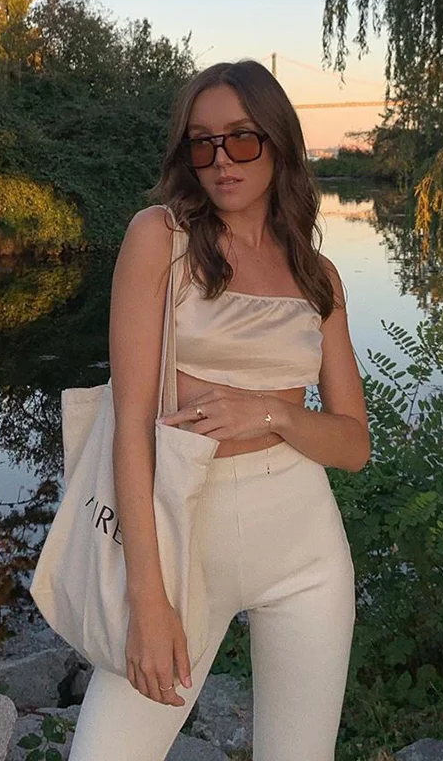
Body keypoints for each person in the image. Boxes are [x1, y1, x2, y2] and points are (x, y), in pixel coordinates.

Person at [67, 59, 370, 761]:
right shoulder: (161, 239)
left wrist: (273, 414)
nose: (221, 160)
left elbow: (354, 446)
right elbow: (131, 426)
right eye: (202, 143)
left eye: (240, 138)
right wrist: (148, 600)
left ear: (278, 143)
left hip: (303, 548)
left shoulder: (317, 276)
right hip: (181, 538)